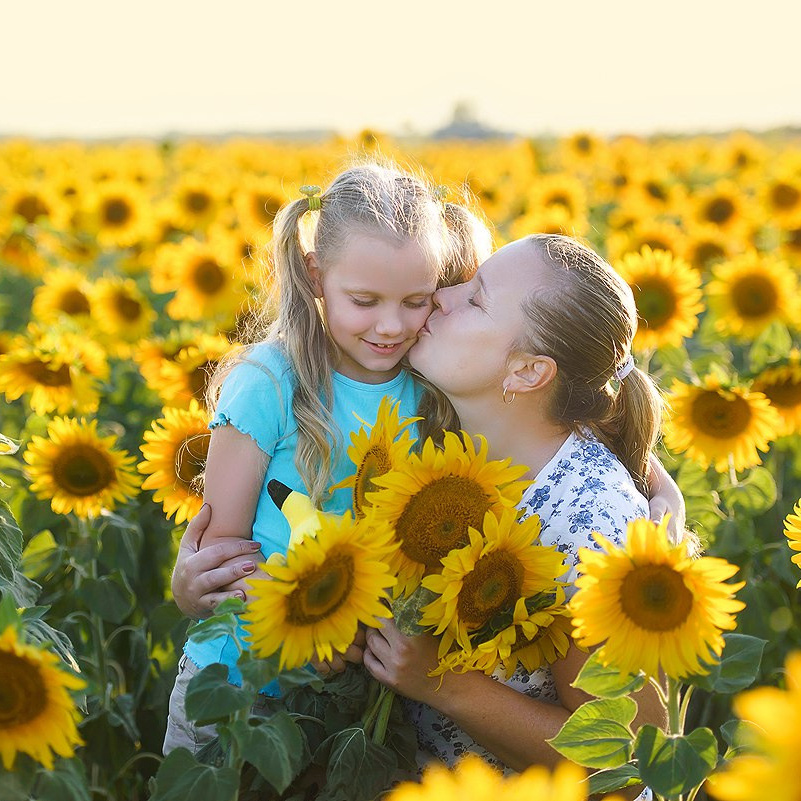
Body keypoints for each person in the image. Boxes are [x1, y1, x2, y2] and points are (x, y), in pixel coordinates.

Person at [172, 233, 683, 796]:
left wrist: (447, 685)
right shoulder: (457, 432)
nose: (443, 296)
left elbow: (621, 761)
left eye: (477, 298)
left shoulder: (594, 530)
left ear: (528, 373)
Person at [162, 160, 493, 756]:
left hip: (361, 693)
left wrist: (659, 487)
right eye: (363, 300)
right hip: (241, 681)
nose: (391, 326)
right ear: (316, 275)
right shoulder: (269, 382)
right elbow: (222, 554)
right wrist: (316, 623)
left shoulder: (431, 386)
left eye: (416, 300)